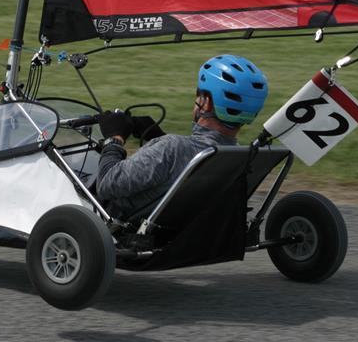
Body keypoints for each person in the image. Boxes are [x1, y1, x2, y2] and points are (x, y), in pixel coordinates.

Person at [96, 54, 268, 220]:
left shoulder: (171, 149)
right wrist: (158, 138)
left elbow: (106, 184)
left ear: (206, 103)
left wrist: (114, 138)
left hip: (114, 224)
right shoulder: (240, 159)